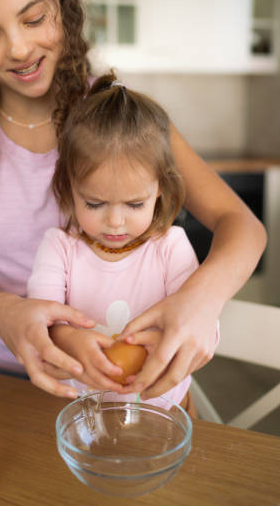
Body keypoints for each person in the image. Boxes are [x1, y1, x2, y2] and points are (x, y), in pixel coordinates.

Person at [0, 0, 266, 401]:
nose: (18, 48)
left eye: (34, 18)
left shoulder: (113, 115)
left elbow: (243, 226)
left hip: (112, 380)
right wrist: (7, 313)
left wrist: (199, 299)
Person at [27, 73, 219, 415]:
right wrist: (67, 338)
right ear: (70, 186)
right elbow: (42, 320)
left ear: (159, 188)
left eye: (134, 205)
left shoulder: (171, 247)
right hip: (85, 415)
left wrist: (170, 340)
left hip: (164, 414)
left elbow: (199, 320)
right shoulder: (59, 248)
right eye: (95, 204)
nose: (115, 222)